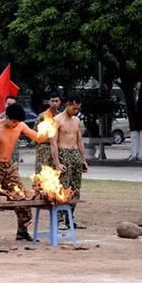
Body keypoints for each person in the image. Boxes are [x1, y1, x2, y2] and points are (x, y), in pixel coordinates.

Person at [0, 103, 48, 241]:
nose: (15, 124)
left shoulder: (20, 125)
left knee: (22, 196)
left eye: (18, 122)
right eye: (14, 121)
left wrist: (49, 132)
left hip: (10, 167)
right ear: (7, 117)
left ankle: (22, 230)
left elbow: (37, 138)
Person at [51, 94, 88, 228]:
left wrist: (83, 159)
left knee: (75, 189)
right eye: (74, 108)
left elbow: (79, 140)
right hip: (63, 154)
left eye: (78, 109)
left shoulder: (76, 121)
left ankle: (69, 218)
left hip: (75, 155)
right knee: (63, 188)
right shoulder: (56, 120)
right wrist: (56, 163)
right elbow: (53, 143)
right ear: (67, 104)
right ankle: (60, 219)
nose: (75, 111)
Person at [34, 90, 62, 172]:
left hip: (57, 148)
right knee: (41, 173)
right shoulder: (42, 116)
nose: (54, 103)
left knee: (55, 173)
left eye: (56, 101)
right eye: (52, 101)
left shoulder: (61, 117)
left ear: (60, 102)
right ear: (49, 102)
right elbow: (35, 133)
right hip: (43, 148)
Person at [0, 96, 20, 165]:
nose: (10, 107)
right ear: (5, 104)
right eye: (8, 104)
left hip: (13, 154)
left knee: (13, 174)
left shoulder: (18, 120)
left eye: (12, 105)